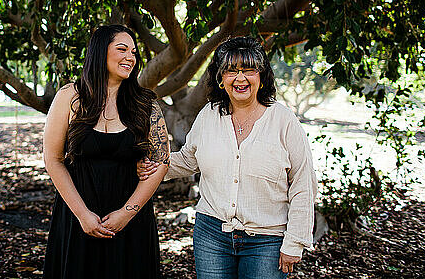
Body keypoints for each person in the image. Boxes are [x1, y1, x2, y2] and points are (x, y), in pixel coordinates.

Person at [138, 36, 317, 278]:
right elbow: (190, 159)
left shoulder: (283, 121)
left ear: (261, 77)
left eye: (249, 70)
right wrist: (153, 166)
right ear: (220, 78)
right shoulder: (209, 115)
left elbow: (303, 183)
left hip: (267, 241)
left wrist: (295, 241)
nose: (240, 78)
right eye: (231, 70)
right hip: (212, 236)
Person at [42, 24, 170, 279]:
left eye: (133, 52)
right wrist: (83, 215)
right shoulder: (71, 96)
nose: (130, 57)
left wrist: (127, 213)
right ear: (100, 53)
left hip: (132, 218)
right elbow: (53, 159)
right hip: (78, 214)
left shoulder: (145, 103)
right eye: (122, 49)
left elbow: (161, 161)